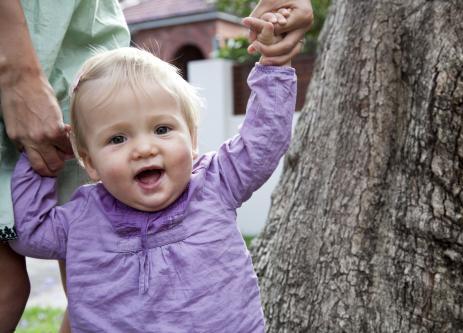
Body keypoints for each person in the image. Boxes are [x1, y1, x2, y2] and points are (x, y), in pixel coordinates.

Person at [9, 10, 298, 330]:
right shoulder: (82, 218)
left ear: (192, 140)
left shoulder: (216, 183)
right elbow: (31, 234)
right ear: (89, 162)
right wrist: (40, 163)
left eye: (161, 129)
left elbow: (263, 141)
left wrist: (273, 67)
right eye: (118, 138)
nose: (144, 148)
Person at [0, 1, 130, 332]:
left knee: (102, 292)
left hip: (80, 33)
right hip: (16, 28)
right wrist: (16, 71)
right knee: (7, 289)